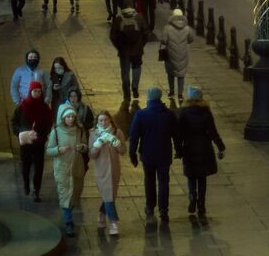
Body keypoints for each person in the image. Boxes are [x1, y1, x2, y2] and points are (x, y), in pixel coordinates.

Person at [128, 87, 177, 224]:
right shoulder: (169, 115)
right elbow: (176, 135)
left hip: (147, 154)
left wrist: (132, 153)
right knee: (163, 182)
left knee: (149, 180)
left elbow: (134, 136)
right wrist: (179, 150)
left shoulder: (141, 115)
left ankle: (150, 206)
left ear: (149, 98)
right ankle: (163, 210)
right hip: (164, 154)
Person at [175, 87, 226, 217]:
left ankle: (192, 197)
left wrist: (178, 150)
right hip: (204, 147)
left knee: (191, 176)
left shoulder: (184, 112)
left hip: (189, 147)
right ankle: (201, 205)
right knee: (202, 178)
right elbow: (213, 132)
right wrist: (221, 147)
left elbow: (179, 134)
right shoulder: (206, 112)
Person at [47, 105, 87, 236]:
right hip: (62, 170)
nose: (70, 119)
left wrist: (82, 147)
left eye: (72, 117)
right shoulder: (56, 132)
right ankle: (69, 222)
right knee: (65, 195)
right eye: (68, 117)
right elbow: (48, 150)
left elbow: (85, 146)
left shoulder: (79, 130)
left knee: (75, 195)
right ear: (62, 118)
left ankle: (68, 215)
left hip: (77, 167)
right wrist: (58, 150)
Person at [13, 80, 52, 200]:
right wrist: (20, 133)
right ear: (30, 91)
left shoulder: (44, 108)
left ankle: (36, 190)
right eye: (35, 91)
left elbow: (48, 123)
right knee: (26, 166)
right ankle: (26, 183)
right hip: (26, 143)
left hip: (39, 143)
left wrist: (43, 136)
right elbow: (14, 122)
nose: (37, 93)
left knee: (39, 167)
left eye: (39, 91)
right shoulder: (22, 107)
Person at [89, 110, 125, 236]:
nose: (103, 122)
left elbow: (123, 151)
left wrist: (116, 142)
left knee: (110, 196)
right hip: (101, 171)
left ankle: (101, 215)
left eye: (105, 120)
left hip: (115, 170)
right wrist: (97, 145)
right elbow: (92, 155)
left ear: (110, 120)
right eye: (100, 120)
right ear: (97, 121)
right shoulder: (94, 134)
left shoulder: (117, 132)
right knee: (109, 196)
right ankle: (114, 222)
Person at [111, 0, 150, 100]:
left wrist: (118, 46)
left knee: (125, 71)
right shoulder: (139, 17)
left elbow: (113, 35)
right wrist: (141, 45)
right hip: (137, 50)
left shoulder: (119, 19)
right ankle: (135, 87)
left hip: (124, 51)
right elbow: (146, 33)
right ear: (133, 6)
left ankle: (126, 93)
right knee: (137, 67)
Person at [160, 7, 194, 102]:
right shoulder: (187, 28)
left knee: (170, 73)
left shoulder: (167, 28)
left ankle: (171, 92)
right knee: (181, 74)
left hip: (171, 54)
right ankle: (180, 94)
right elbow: (191, 39)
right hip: (183, 54)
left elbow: (164, 40)